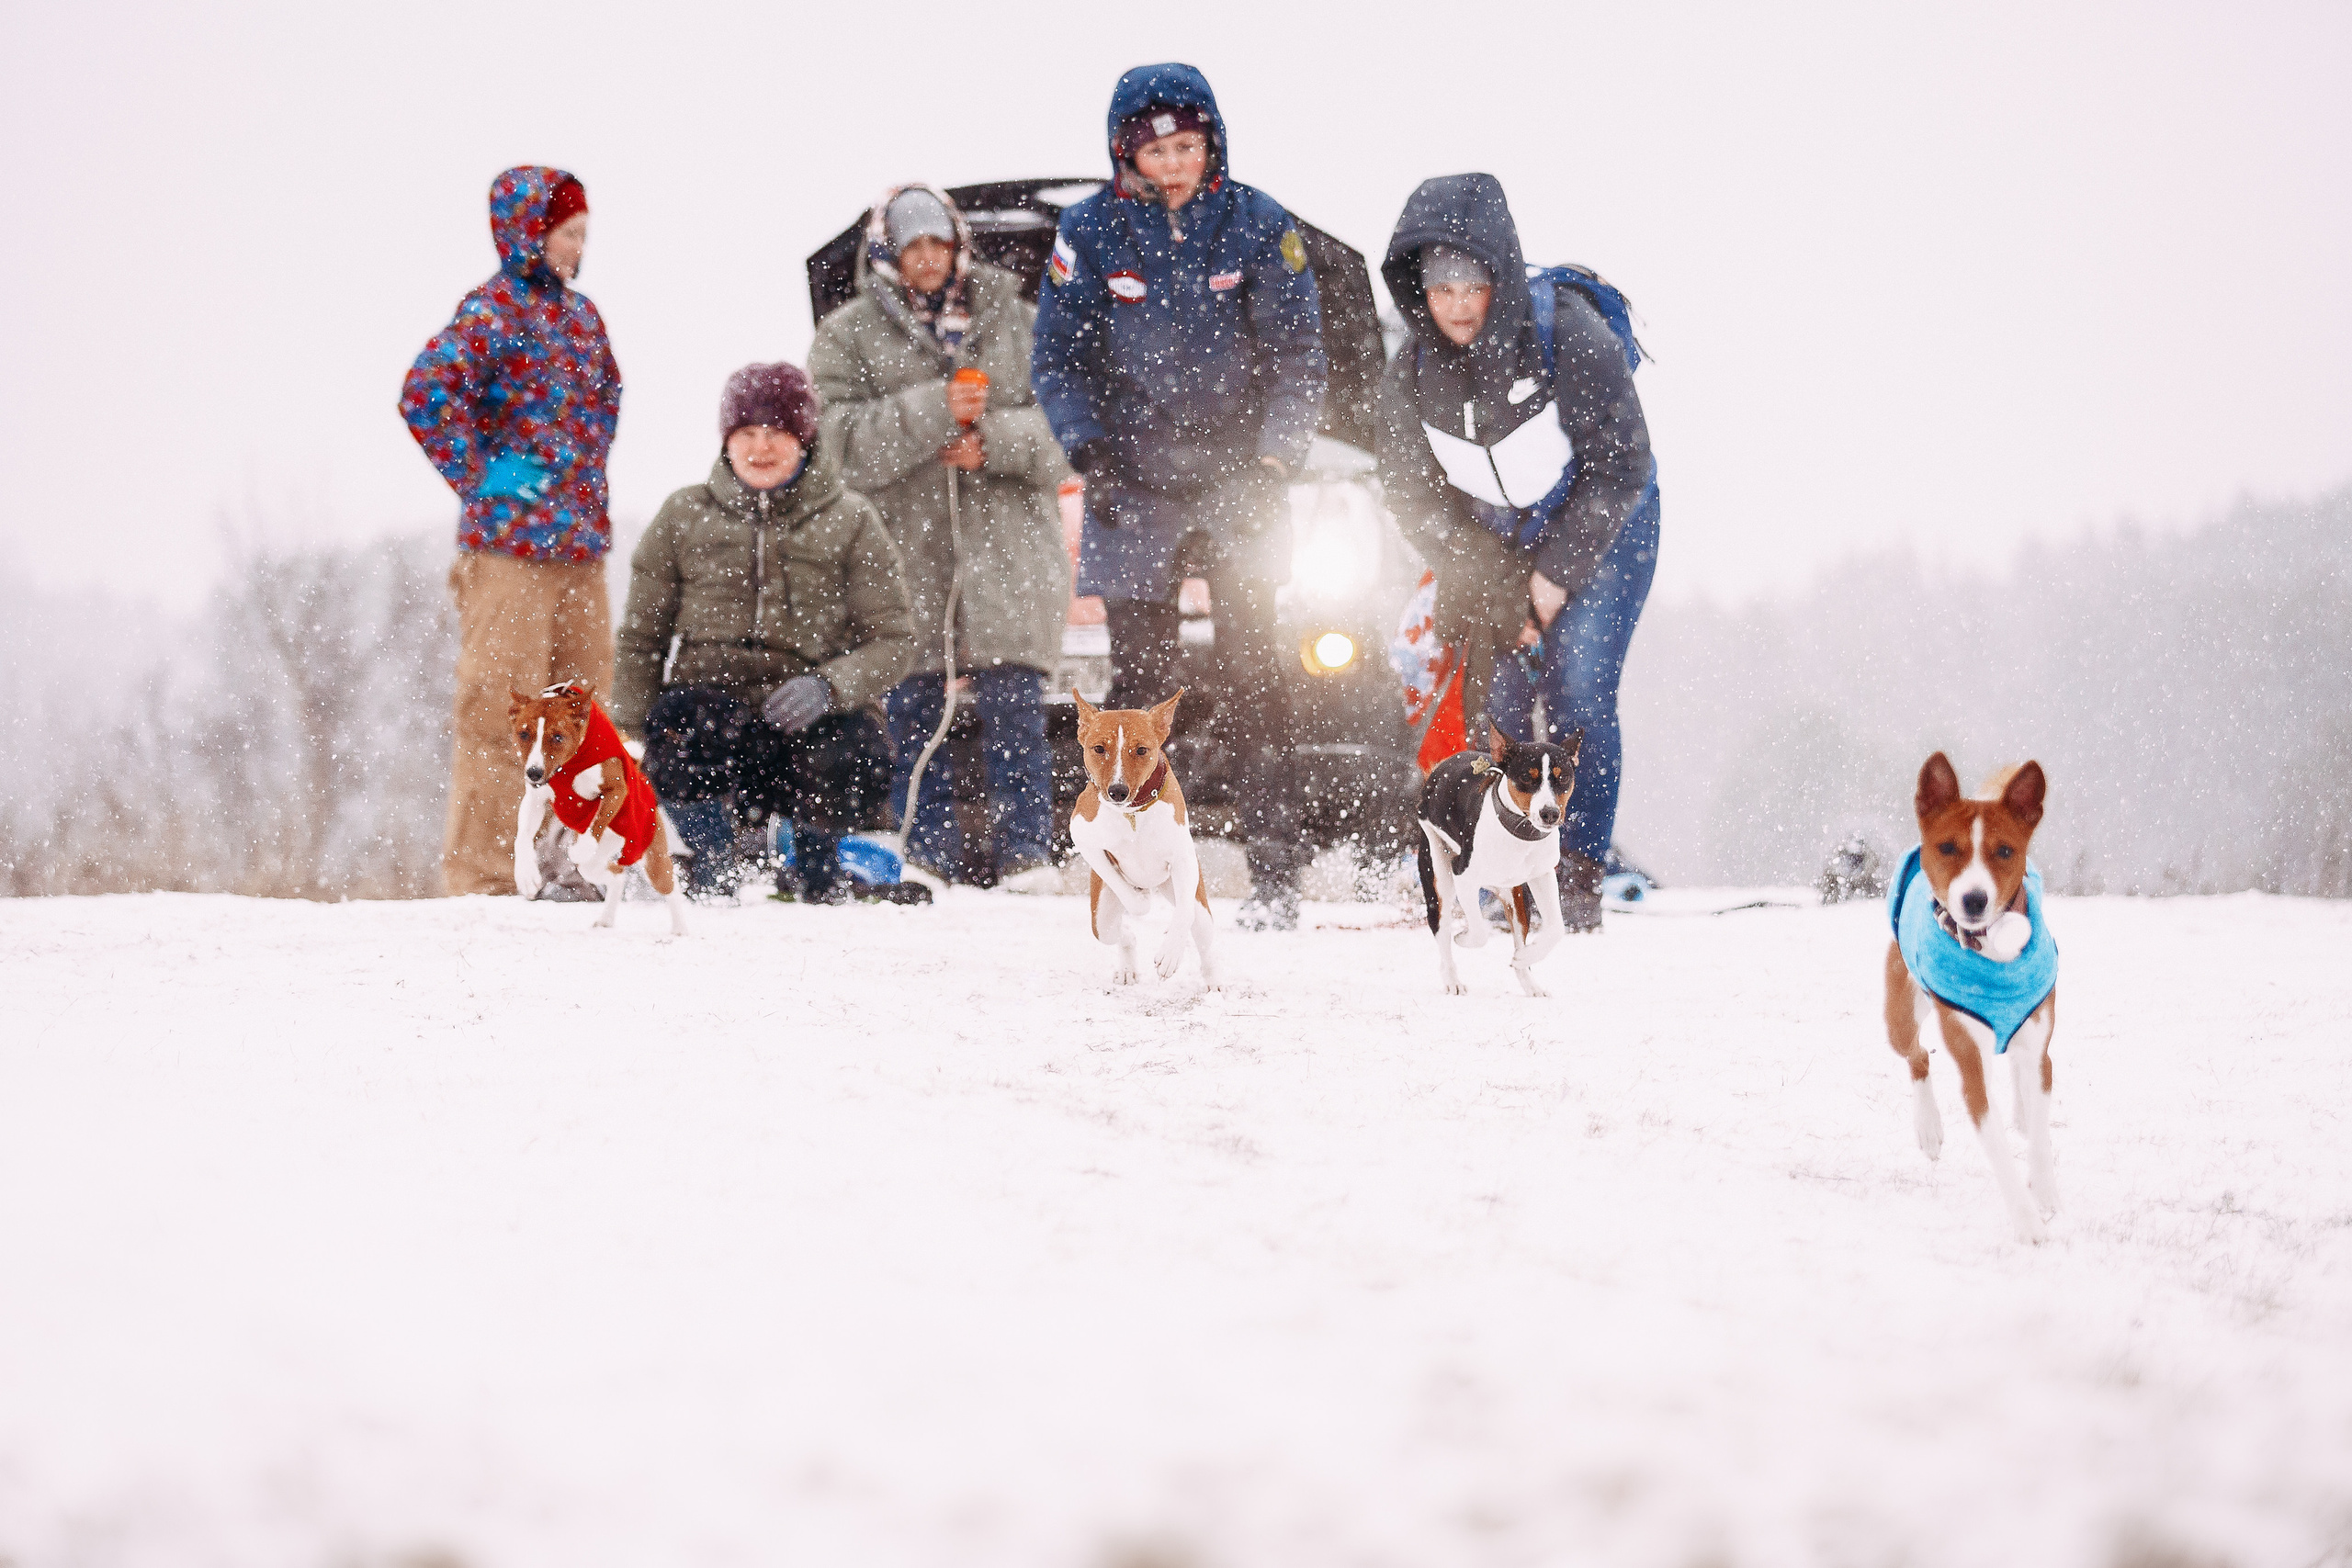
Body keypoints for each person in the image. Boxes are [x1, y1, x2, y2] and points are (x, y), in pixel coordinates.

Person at [1031, 62, 1328, 930]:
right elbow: (1057, 359)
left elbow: (1300, 358)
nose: (1173, 165)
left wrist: (1273, 463)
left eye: (1188, 148)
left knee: (1255, 674)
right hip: (1132, 481)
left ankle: (1276, 870)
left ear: (1213, 146)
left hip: (1242, 481)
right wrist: (1089, 448)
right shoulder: (1088, 232)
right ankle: (1139, 868)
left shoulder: (1261, 224)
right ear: (1126, 154)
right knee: (1140, 692)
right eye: (1156, 152)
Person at [1375, 174, 1658, 932]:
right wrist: (1477, 569)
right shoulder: (1410, 375)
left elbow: (1622, 465)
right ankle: (1501, 873)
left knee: (1578, 690)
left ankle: (1578, 872)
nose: (1459, 304)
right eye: (1441, 289)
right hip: (1497, 539)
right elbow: (1409, 491)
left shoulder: (1570, 335)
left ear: (1499, 276)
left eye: (1472, 285)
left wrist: (1551, 581)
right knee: (1496, 709)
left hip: (1606, 521)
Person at [809, 186, 1072, 894]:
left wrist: (994, 443)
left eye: (939, 243)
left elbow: (1069, 429)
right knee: (913, 711)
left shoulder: (1025, 323)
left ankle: (1027, 856)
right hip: (905, 554)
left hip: (1010, 555)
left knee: (1016, 713)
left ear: (958, 247)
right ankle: (923, 854)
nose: (928, 258)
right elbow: (833, 444)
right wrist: (935, 410)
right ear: (888, 252)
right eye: (913, 246)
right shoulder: (847, 335)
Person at [608, 363, 923, 904]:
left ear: (804, 439)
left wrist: (829, 687)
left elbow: (895, 640)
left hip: (809, 718)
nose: (760, 447)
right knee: (679, 727)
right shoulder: (683, 516)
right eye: (746, 432)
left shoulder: (852, 520)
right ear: (726, 440)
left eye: (777, 432)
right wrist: (630, 733)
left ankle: (819, 871)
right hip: (713, 715)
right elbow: (642, 638)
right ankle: (714, 866)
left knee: (853, 744)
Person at [401, 166, 622, 896]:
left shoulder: (583, 318)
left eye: (584, 234)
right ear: (528, 233)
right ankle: (484, 877)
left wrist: (577, 486)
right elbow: (424, 391)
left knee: (581, 717)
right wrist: (481, 471)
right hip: (508, 554)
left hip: (581, 551)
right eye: (566, 233)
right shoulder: (491, 312)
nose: (578, 247)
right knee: (505, 716)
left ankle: (566, 865)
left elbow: (605, 405)